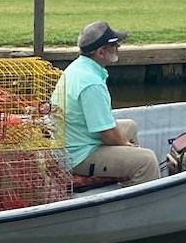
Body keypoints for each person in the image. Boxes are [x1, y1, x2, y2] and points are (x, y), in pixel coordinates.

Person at [49, 21, 159, 186]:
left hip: (71, 143)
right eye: (115, 45)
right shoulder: (91, 84)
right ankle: (139, 203)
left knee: (129, 126)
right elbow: (107, 133)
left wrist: (124, 144)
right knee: (147, 160)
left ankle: (127, 182)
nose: (118, 47)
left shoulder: (78, 67)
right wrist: (128, 146)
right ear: (101, 52)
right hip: (78, 155)